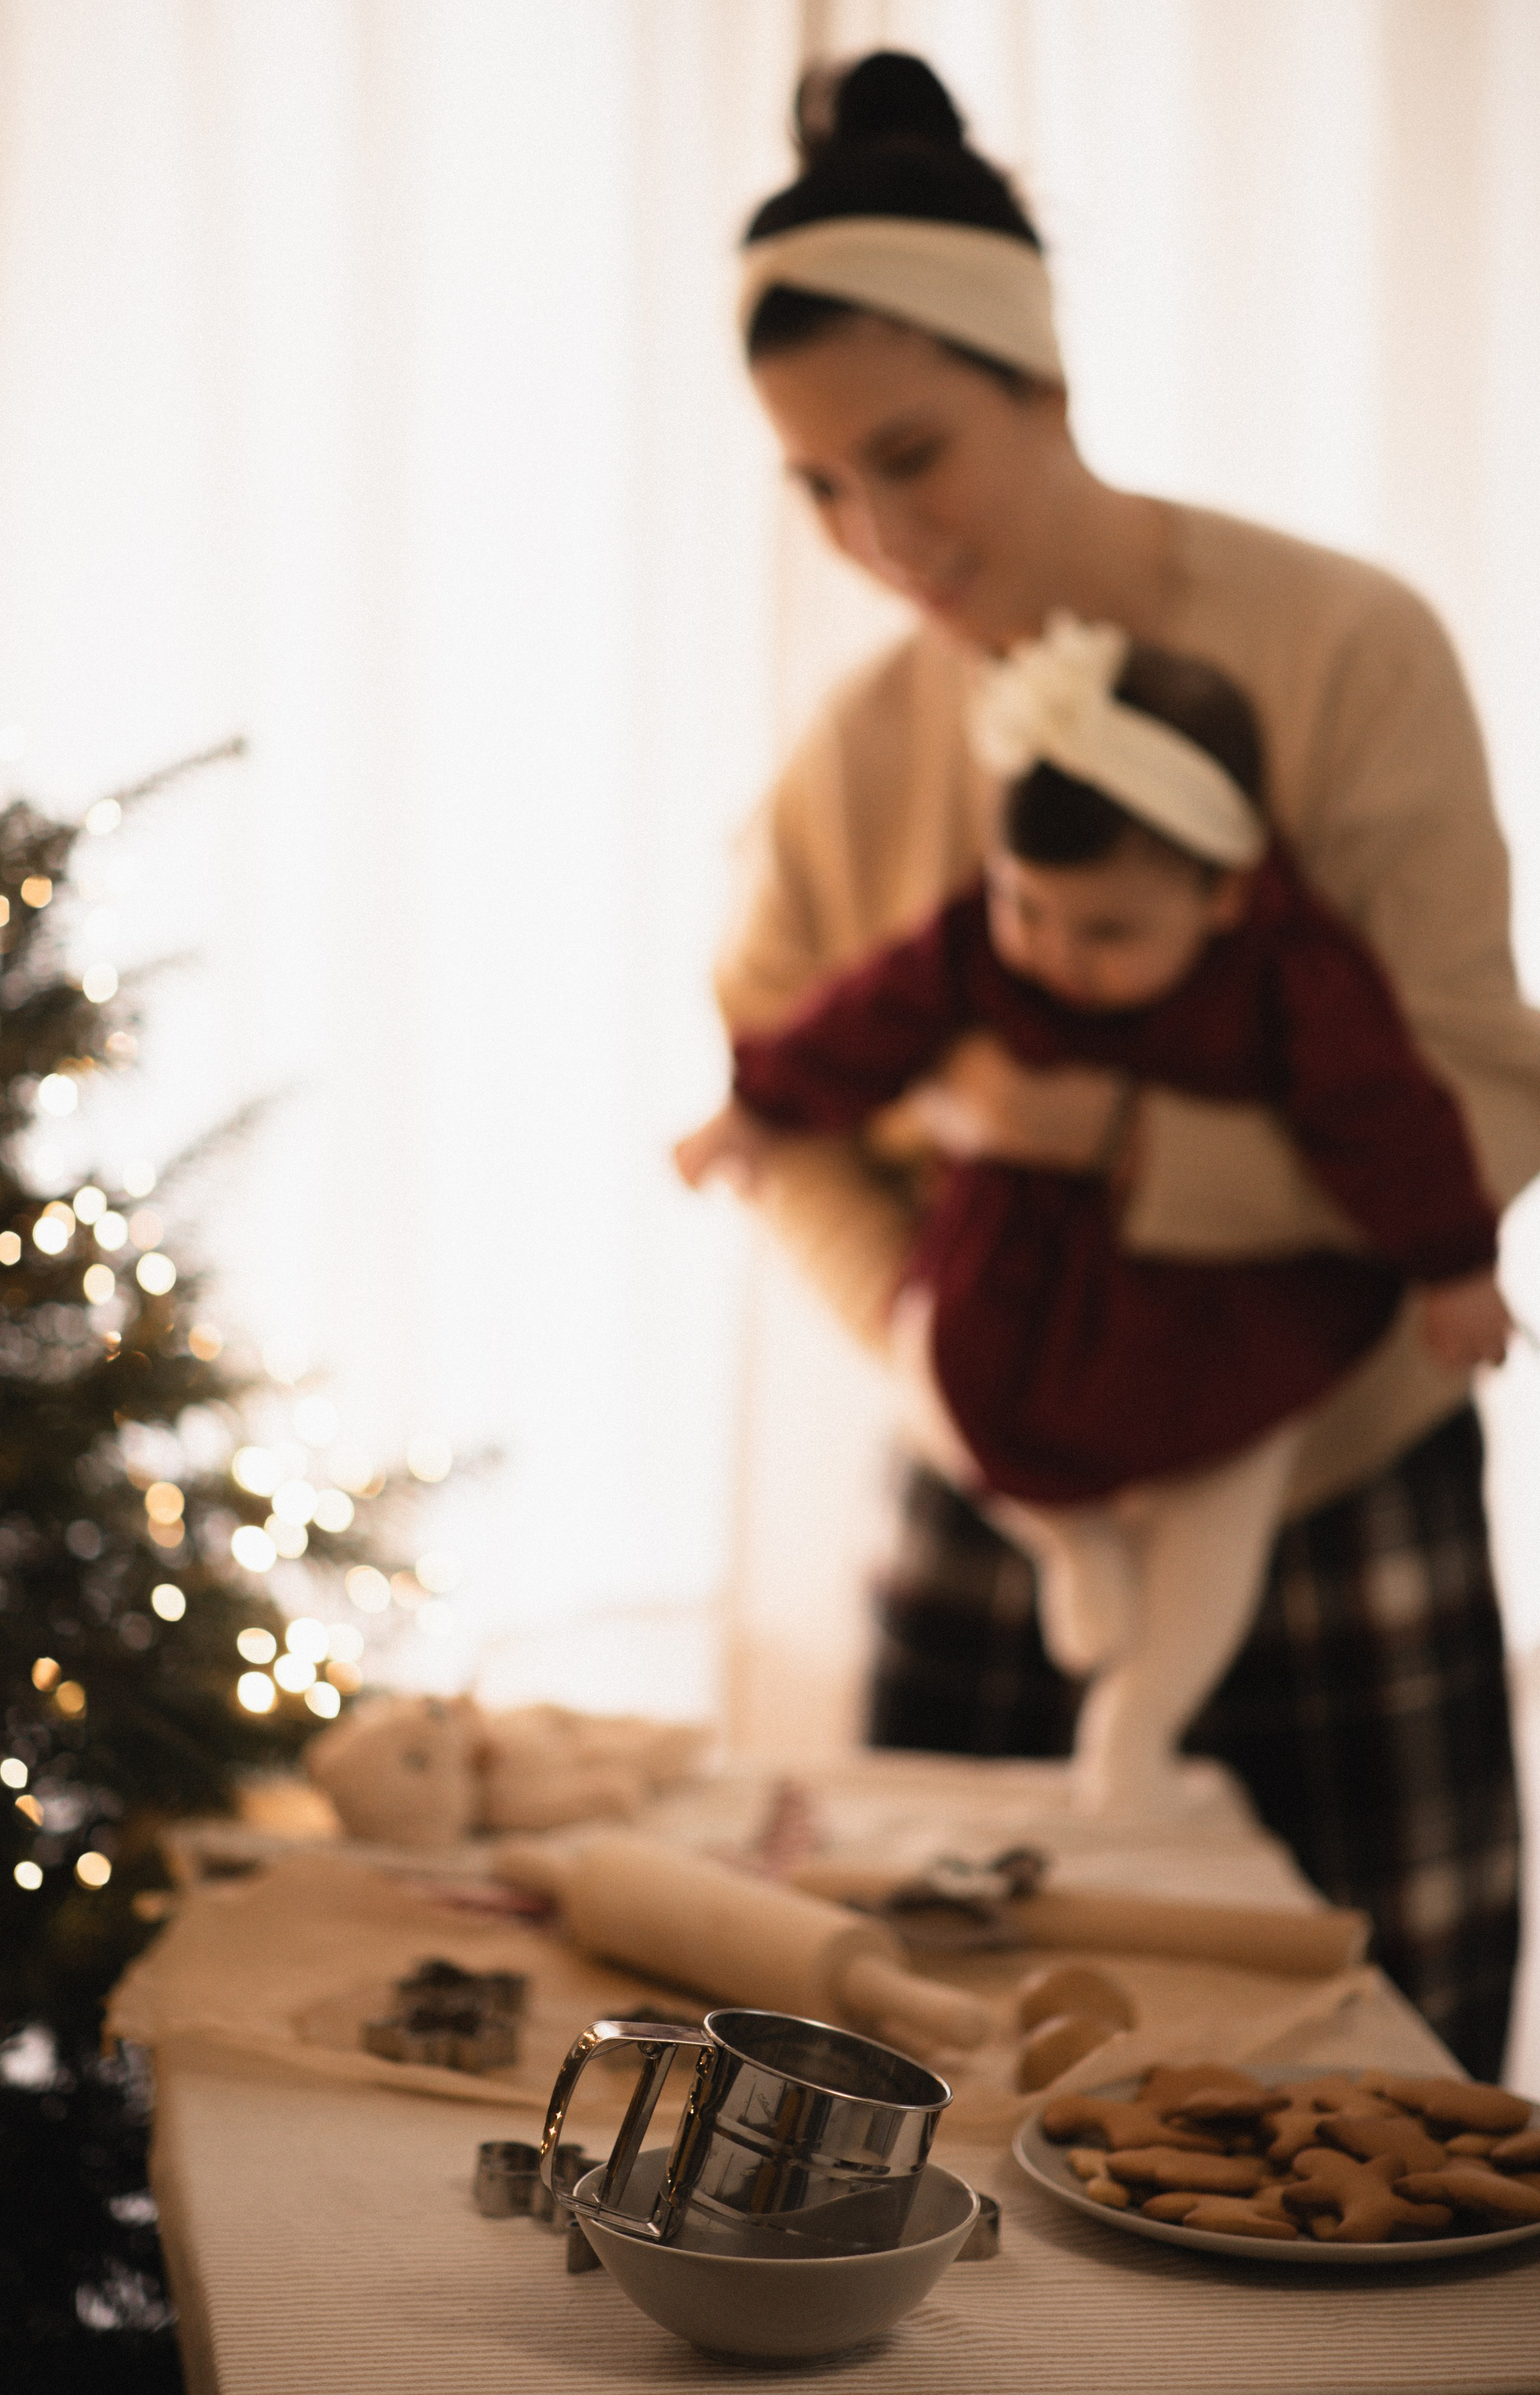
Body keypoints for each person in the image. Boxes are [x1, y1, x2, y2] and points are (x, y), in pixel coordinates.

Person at [714, 49, 1540, 2076]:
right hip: (994, 1502)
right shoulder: (851, 766)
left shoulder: (1347, 651)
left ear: (1046, 384)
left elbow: (1481, 1089)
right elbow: (782, 1112)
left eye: (914, 451)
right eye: (820, 482)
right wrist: (922, 1344)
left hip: (1330, 1481)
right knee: (932, 2081)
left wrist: (1101, 1135)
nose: (876, 528)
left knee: (1387, 2109)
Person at [681, 616, 1506, 1812]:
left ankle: (1142, 1720)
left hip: (1226, 1296)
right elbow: (870, 1015)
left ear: (1225, 891)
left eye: (1110, 933)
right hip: (1027, 1262)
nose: (1055, 956)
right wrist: (756, 1105)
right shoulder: (986, 936)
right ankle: (1070, 1537)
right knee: (932, 1368)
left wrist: (1453, 1267)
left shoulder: (1296, 971)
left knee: (1226, 1497)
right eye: (1029, 910)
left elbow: (1387, 1117)